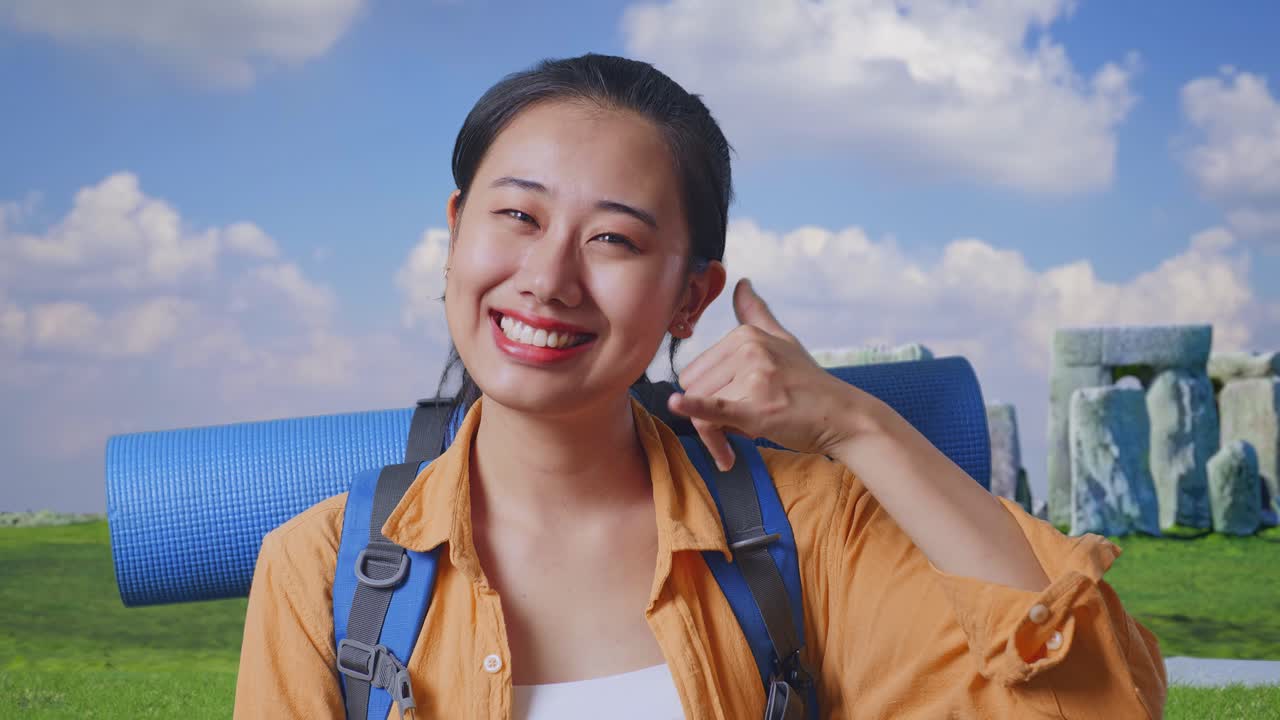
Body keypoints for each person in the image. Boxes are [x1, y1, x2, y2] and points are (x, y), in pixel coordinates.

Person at [233, 53, 1167, 719]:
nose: (548, 278)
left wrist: (856, 424)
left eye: (614, 238)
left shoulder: (807, 536)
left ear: (692, 296)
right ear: (454, 232)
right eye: (516, 215)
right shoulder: (321, 571)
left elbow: (1093, 702)